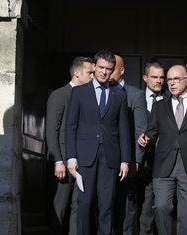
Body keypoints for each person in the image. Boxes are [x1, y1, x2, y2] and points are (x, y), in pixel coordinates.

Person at [138, 65, 187, 235]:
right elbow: (152, 132)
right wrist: (145, 138)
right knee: (160, 207)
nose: (171, 83)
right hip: (164, 165)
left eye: (176, 79)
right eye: (169, 80)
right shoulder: (160, 107)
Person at [65, 49, 131, 235]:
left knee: (107, 204)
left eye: (108, 69)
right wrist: (71, 157)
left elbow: (124, 129)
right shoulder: (78, 92)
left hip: (110, 158)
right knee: (84, 203)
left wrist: (125, 160)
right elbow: (71, 126)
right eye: (101, 67)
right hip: (85, 157)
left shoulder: (119, 95)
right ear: (94, 67)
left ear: (113, 71)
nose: (104, 72)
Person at [45, 56, 94, 235]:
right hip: (64, 162)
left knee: (79, 206)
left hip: (83, 162)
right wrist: (58, 160)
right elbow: (52, 130)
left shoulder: (88, 97)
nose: (92, 76)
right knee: (60, 205)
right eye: (89, 72)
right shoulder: (59, 95)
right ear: (76, 73)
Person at [110, 54, 148, 235]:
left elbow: (141, 129)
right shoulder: (101, 92)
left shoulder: (135, 94)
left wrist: (136, 161)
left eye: (112, 68)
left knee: (127, 206)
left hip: (128, 160)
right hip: (106, 161)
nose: (107, 72)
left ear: (122, 70)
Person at [138, 61, 166, 235]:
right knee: (142, 208)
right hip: (141, 162)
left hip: (164, 162)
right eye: (154, 77)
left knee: (164, 208)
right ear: (145, 78)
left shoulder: (171, 99)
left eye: (162, 77)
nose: (159, 81)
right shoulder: (135, 98)